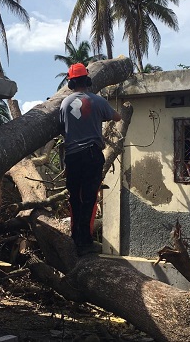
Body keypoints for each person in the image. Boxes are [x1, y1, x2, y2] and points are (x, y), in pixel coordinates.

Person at [60, 63, 121, 256]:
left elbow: (63, 125)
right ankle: (85, 241)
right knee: (89, 198)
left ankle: (75, 238)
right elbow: (117, 117)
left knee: (75, 198)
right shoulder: (98, 101)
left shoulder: (64, 103)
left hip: (72, 156)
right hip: (92, 155)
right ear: (87, 80)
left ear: (70, 83)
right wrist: (99, 117)